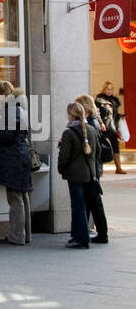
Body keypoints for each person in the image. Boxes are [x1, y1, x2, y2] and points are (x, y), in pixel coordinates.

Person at [0, 79, 32, 244]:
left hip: (13, 158)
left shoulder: (11, 110)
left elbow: (6, 134)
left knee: (15, 199)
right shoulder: (18, 108)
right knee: (22, 197)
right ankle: (25, 235)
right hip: (20, 155)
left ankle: (17, 236)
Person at [58, 101, 108, 248]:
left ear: (71, 115)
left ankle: (80, 238)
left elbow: (64, 156)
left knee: (78, 206)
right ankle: (84, 236)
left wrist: (62, 169)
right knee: (87, 204)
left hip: (75, 175)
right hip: (90, 174)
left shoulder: (68, 133)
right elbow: (98, 152)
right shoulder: (92, 130)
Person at [96, 81, 127, 174]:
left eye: (111, 89)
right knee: (101, 146)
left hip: (112, 125)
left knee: (115, 146)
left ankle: (118, 167)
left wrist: (121, 116)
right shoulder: (99, 99)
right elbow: (97, 113)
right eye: (107, 89)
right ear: (104, 89)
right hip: (103, 125)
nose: (109, 91)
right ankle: (100, 167)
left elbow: (114, 114)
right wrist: (100, 123)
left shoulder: (114, 100)